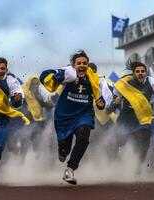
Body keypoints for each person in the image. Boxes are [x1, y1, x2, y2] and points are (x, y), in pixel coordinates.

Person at [40, 50, 105, 184]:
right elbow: (44, 75)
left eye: (84, 63)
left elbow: (100, 97)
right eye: (79, 63)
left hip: (84, 114)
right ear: (73, 65)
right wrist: (61, 77)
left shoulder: (94, 78)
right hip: (64, 116)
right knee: (65, 149)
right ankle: (62, 151)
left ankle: (70, 169)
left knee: (83, 136)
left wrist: (100, 103)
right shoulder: (67, 73)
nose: (82, 65)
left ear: (88, 65)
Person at [108, 61, 154, 173]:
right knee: (119, 142)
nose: (140, 73)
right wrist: (115, 103)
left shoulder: (152, 82)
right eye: (138, 71)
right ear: (133, 73)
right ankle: (114, 164)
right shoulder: (123, 84)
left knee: (145, 141)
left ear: (146, 73)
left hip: (142, 119)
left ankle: (138, 166)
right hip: (126, 119)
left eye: (143, 71)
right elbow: (111, 107)